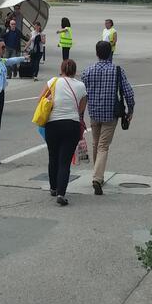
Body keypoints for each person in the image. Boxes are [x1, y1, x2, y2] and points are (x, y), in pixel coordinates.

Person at [80, 41, 135, 195]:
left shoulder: (88, 71)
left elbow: (81, 93)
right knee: (104, 145)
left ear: (97, 53)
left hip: (94, 113)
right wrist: (130, 110)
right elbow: (128, 93)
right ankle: (97, 178)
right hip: (111, 114)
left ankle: (97, 174)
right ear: (110, 53)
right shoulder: (117, 70)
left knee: (96, 143)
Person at [40, 59, 87, 206]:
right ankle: (61, 193)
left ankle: (53, 187)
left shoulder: (52, 82)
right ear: (74, 71)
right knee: (64, 161)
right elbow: (81, 108)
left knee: (53, 156)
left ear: (62, 69)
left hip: (52, 124)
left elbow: (41, 100)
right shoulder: (80, 86)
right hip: (71, 124)